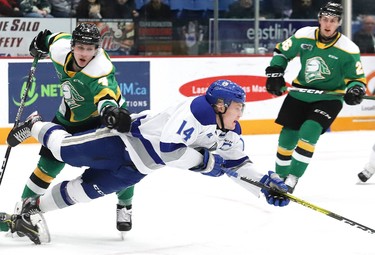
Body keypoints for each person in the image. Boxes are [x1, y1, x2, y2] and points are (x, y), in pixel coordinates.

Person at [5, 79, 290, 244]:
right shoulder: (197, 111)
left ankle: (31, 209)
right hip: (121, 144)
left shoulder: (229, 131)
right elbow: (169, 150)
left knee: (82, 193)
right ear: (220, 106)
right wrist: (207, 164)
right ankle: (35, 125)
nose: (241, 112)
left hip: (139, 169)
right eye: (238, 107)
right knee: (65, 150)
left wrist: (264, 185)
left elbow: (238, 165)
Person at [0, 23, 136, 236]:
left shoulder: (100, 69)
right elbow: (49, 38)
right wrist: (39, 42)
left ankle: (125, 206)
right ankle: (24, 210)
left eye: (90, 49)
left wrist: (111, 112)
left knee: (121, 165)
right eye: (80, 47)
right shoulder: (61, 49)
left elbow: (106, 98)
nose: (84, 53)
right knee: (47, 165)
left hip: (105, 119)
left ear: (97, 50)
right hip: (71, 115)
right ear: (72, 46)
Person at [264, 2, 367, 193]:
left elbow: (357, 79)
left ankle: (293, 178)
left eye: (333, 21)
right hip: (300, 93)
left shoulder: (348, 49)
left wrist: (355, 89)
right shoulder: (304, 35)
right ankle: (279, 176)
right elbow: (282, 52)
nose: (328, 24)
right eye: (325, 20)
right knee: (287, 137)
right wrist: (276, 72)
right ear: (319, 19)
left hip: (329, 98)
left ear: (339, 23)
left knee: (309, 131)